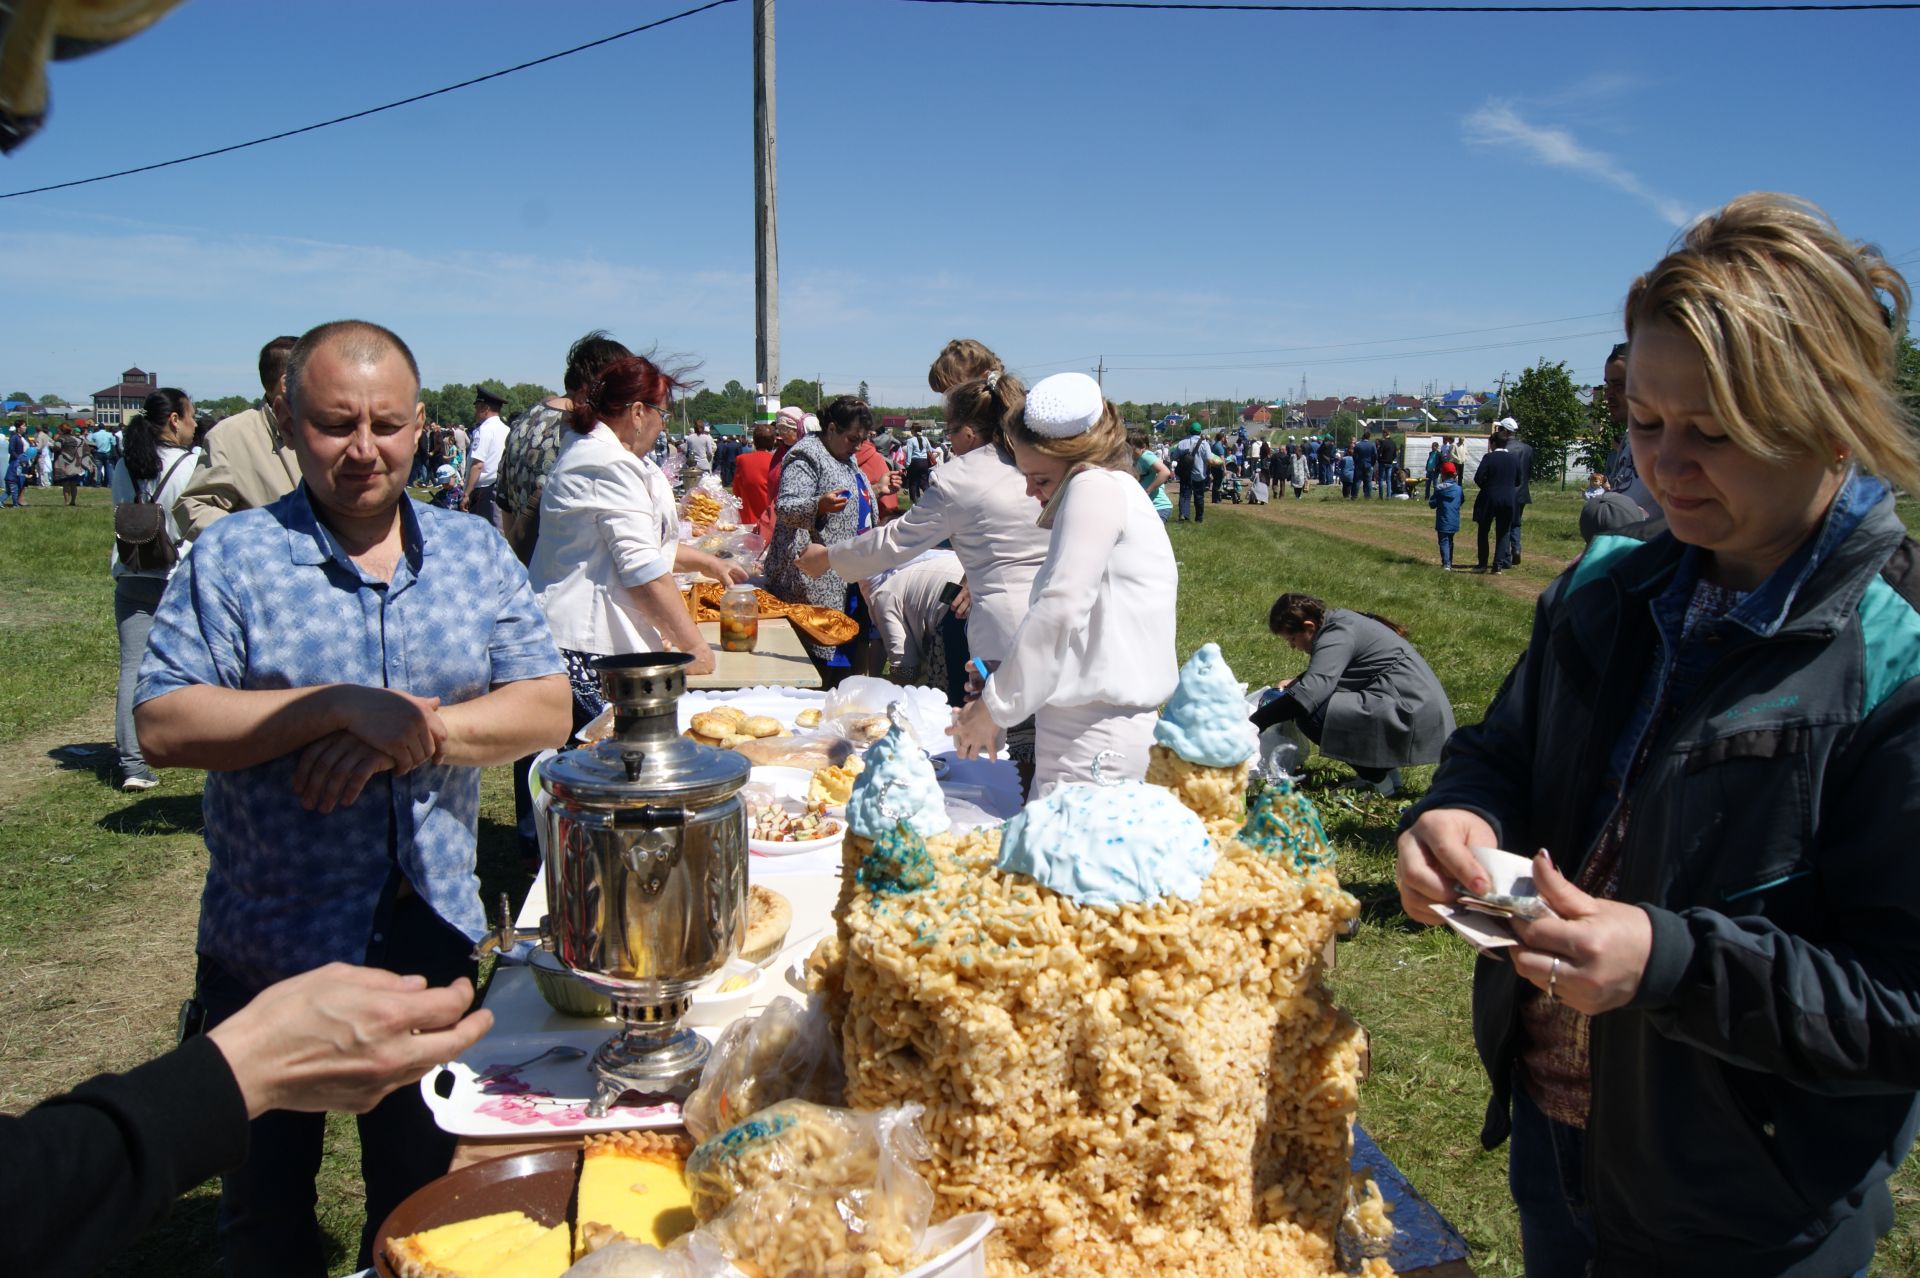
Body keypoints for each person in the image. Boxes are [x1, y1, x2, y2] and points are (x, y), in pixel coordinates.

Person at [1396, 192, 1920, 1278]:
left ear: (1831, 423)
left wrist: (1665, 963)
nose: (1664, 468)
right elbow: (1502, 747)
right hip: (1562, 1146)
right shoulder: (1602, 591)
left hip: (1746, 1215)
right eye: (1644, 423)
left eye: (1716, 432)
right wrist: (1458, 808)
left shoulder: (1897, 657)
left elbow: (1902, 1003)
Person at [133, 319, 572, 1275]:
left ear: (423, 427)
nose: (363, 450)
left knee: (426, 1201)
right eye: (335, 424)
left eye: (385, 423)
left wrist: (413, 735)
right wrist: (329, 709)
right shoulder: (235, 558)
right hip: (272, 940)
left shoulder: (473, 551)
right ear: (290, 425)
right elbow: (162, 722)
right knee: (263, 1213)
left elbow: (544, 705)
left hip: (430, 928)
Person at [0, 962, 491, 1278]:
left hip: (422, 920)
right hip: (259, 940)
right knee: (265, 1205)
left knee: (414, 1191)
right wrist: (246, 1066)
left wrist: (238, 1070)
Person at [800, 355, 1052, 785]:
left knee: (1017, 760)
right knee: (1052, 749)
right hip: (1064, 620)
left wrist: (827, 558)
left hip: (1006, 630)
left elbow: (894, 541)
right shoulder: (1037, 461)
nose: (949, 442)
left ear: (967, 431)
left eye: (950, 431)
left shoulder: (959, 477)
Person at [947, 372, 1178, 796]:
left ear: (1077, 463)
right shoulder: (1115, 490)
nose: (1033, 493)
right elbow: (1092, 629)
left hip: (1094, 743)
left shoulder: (1092, 487)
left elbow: (1060, 607)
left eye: (1042, 480)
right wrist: (1011, 674)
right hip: (1090, 734)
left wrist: (992, 709)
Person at [528, 354, 744, 728]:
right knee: (589, 774)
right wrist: (693, 648)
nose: (664, 426)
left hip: (593, 645)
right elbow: (642, 572)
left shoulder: (609, 457)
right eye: (663, 414)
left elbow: (647, 546)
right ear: (639, 412)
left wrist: (709, 563)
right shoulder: (606, 464)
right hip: (584, 649)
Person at [1250, 593, 1454, 797]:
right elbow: (1336, 668)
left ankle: (1377, 783)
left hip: (1410, 711)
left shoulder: (1336, 633)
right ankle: (1388, 777)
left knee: (1312, 714)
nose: (1292, 646)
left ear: (1309, 626)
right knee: (1318, 703)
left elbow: (1310, 695)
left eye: (1292, 639)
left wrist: (1255, 722)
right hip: (1413, 703)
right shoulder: (1338, 622)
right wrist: (1300, 680)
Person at [109, 389, 201, 792]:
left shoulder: (123, 466)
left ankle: (132, 763)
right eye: (192, 415)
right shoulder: (191, 464)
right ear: (175, 420)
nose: (196, 423)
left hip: (131, 571)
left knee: (132, 666)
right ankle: (193, 741)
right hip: (175, 575)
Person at [767, 396, 881, 679]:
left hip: (848, 577)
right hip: (816, 579)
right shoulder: (807, 455)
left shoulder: (845, 455)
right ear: (831, 428)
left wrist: (876, 490)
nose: (857, 446)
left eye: (862, 440)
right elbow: (785, 506)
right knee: (824, 663)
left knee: (850, 654)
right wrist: (817, 505)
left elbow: (852, 499)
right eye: (852, 438)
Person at [498, 331, 633, 566]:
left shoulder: (524, 420)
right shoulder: (581, 430)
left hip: (522, 566)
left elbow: (505, 504)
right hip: (561, 572)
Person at [174, 337, 302, 541]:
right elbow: (193, 508)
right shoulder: (229, 436)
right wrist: (255, 538)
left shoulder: (337, 428)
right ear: (286, 383)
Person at [1471, 428, 1523, 573]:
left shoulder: (1489, 458)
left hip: (1489, 498)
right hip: (1508, 498)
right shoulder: (1514, 458)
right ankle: (1497, 565)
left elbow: (1478, 478)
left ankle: (1482, 564)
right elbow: (1518, 481)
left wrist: (1488, 487)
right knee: (1504, 532)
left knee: (1483, 530)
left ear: (1493, 443)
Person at [462, 385, 508, 528]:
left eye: (477, 408)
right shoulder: (507, 429)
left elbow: (478, 464)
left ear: (485, 408)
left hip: (484, 489)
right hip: (500, 486)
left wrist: (467, 493)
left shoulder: (483, 430)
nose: (475, 412)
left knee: (481, 531)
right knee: (499, 530)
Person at [1498, 417, 1535, 564]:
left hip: (1508, 491)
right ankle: (1517, 548)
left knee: (1505, 524)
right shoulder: (1527, 448)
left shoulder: (1505, 449)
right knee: (1517, 522)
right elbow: (1530, 471)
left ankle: (1506, 557)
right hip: (1523, 492)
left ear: (1506, 431)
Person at [731, 422, 776, 530]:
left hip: (748, 520)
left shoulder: (742, 460)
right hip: (770, 521)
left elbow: (736, 490)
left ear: (754, 441)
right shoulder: (776, 462)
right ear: (772, 441)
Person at [1130, 427, 1174, 521]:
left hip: (1159, 507)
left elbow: (1165, 472)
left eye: (1132, 448)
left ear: (1143, 447)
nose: (1129, 451)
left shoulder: (1146, 456)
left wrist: (1148, 491)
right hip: (1147, 506)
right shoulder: (1135, 460)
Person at [1428, 460, 1463, 570]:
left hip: (1443, 520)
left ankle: (1446, 563)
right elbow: (1462, 500)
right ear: (1454, 474)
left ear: (1442, 475)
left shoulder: (1439, 489)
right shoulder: (1458, 489)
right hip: (1454, 519)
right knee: (1450, 541)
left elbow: (1432, 504)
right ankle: (1449, 562)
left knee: (1443, 541)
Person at [1173, 423, 1211, 522]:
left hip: (1185, 473)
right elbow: (1209, 459)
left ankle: (1183, 514)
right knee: (1199, 496)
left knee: (1184, 494)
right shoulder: (1204, 444)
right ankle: (1198, 518)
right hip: (1199, 473)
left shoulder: (1182, 443)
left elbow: (1174, 456)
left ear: (1189, 431)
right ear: (1200, 432)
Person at [52, 421, 86, 504]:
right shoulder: (76, 439)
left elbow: (56, 447)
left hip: (64, 463)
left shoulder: (61, 438)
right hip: (75, 462)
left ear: (62, 430)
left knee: (66, 483)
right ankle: (73, 501)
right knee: (73, 484)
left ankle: (66, 501)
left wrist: (53, 448)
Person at [682, 419, 716, 490]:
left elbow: (685, 451)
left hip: (693, 465)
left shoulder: (689, 438)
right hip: (704, 464)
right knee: (706, 487)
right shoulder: (707, 438)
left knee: (693, 487)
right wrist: (708, 460)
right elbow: (710, 452)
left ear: (694, 427)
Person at [1352, 431, 1377, 500]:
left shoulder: (1358, 445)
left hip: (1359, 464)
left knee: (1357, 481)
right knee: (1368, 481)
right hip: (1368, 464)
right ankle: (1368, 496)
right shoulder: (1372, 445)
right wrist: (1372, 463)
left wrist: (1356, 462)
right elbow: (1375, 455)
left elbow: (1354, 455)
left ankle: (1354, 496)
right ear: (1369, 437)